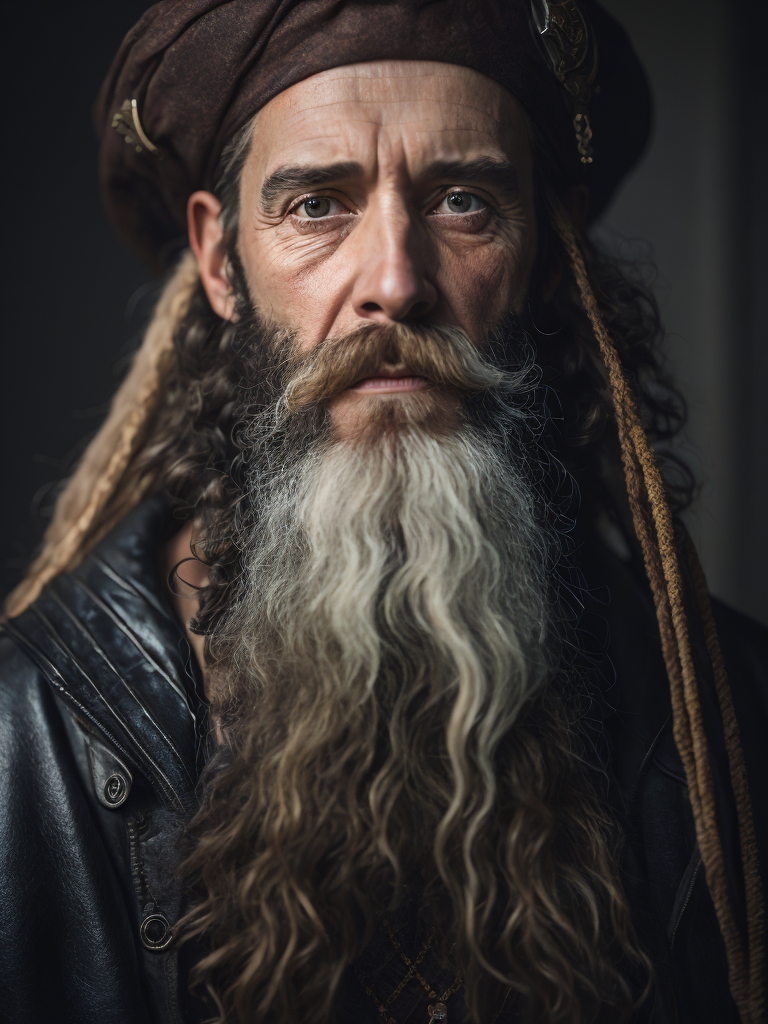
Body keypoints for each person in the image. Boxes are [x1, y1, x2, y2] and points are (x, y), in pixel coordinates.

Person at [0, 1, 765, 1022]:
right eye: (318, 204)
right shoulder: (27, 743)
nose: (396, 284)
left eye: (462, 200)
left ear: (544, 247)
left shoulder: (736, 726)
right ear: (222, 260)